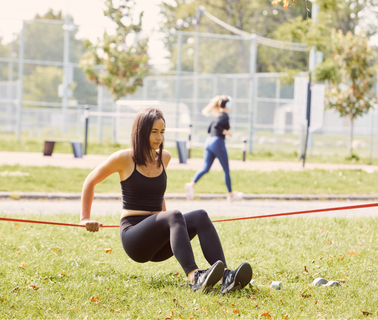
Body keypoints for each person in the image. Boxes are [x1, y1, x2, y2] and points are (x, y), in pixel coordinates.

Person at [79, 107, 252, 294]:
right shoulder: (124, 158)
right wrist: (85, 218)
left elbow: (159, 197)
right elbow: (90, 180)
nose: (159, 137)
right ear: (141, 131)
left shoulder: (164, 158)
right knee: (174, 215)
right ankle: (195, 278)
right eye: (154, 131)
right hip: (134, 238)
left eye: (162, 132)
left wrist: (171, 223)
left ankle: (225, 277)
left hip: (158, 242)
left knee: (200, 215)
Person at [185, 95, 243, 202]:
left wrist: (225, 128)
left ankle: (191, 185)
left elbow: (209, 129)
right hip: (217, 142)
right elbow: (217, 127)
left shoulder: (216, 115)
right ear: (228, 105)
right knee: (226, 170)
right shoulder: (225, 115)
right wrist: (227, 132)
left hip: (208, 142)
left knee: (205, 168)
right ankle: (231, 195)